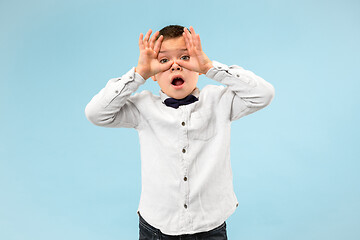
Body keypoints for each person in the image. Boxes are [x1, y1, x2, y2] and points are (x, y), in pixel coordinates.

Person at [85, 25, 275, 240]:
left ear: (196, 69)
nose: (176, 66)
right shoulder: (142, 107)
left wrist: (210, 67)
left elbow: (264, 94)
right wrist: (138, 74)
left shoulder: (220, 101)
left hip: (209, 227)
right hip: (156, 228)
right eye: (164, 61)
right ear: (155, 74)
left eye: (185, 57)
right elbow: (96, 114)